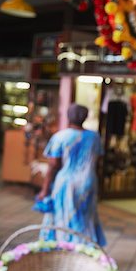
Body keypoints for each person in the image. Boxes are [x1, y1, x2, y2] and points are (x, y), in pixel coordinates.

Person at [37, 103, 106, 246]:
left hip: (66, 182)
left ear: (68, 116)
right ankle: (85, 247)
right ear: (85, 117)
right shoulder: (94, 137)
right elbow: (98, 161)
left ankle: (67, 246)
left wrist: (44, 189)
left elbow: (53, 164)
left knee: (64, 216)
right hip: (88, 181)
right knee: (86, 216)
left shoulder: (61, 137)